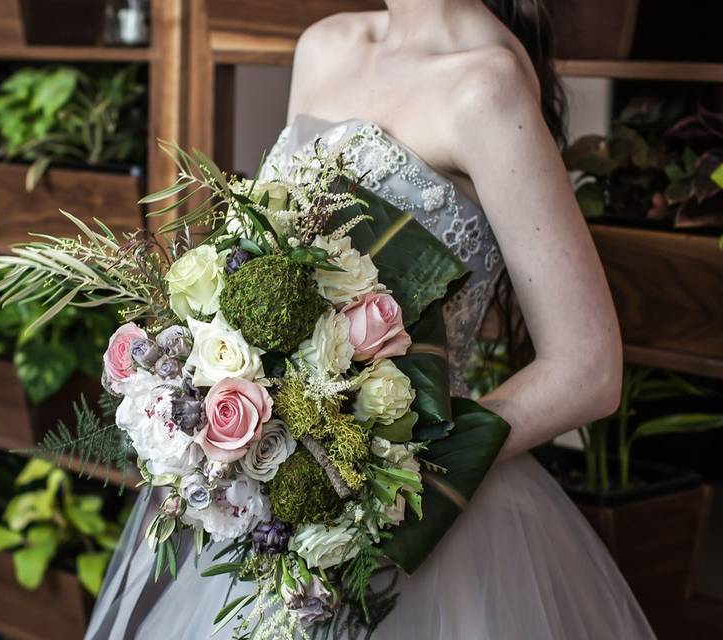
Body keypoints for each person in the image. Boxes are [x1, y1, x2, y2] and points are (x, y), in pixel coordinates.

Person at [86, 1, 656, 637]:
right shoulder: (324, 46)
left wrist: (390, 471)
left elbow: (588, 369)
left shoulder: (486, 86)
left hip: (417, 519)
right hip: (276, 507)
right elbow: (284, 251)